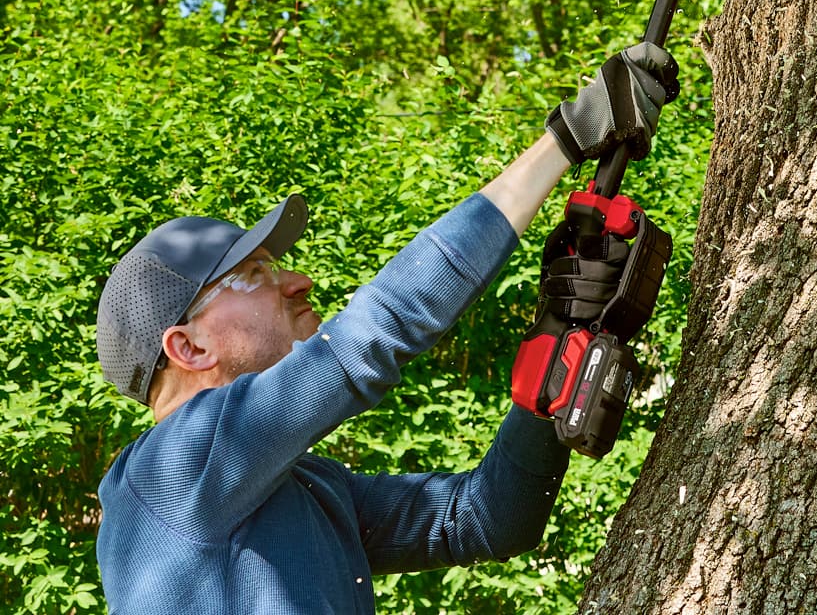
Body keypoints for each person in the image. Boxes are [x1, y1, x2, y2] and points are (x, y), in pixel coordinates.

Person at [95, 43, 679, 615]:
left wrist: (556, 342)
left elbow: (484, 522)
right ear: (188, 346)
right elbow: (368, 336)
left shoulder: (313, 492)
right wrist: (566, 139)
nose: (297, 281)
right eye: (255, 275)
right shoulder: (165, 473)